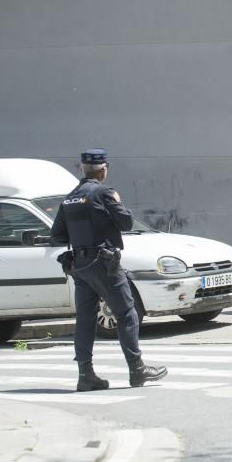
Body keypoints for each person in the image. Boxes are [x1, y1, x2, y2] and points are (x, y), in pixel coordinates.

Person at [50, 149, 167, 391]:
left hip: (80, 267)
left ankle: (85, 375)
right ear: (103, 170)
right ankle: (137, 370)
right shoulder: (104, 193)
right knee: (126, 313)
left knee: (85, 319)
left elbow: (57, 235)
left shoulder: (69, 198)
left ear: (81, 169)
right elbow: (125, 222)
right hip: (104, 264)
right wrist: (116, 201)